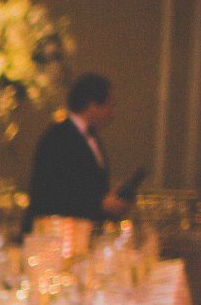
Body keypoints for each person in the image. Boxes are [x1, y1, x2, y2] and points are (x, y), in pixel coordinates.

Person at [24, 73, 129, 227]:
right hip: (55, 234)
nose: (112, 113)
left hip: (80, 232)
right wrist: (101, 204)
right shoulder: (57, 137)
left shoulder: (90, 137)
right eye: (109, 104)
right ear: (92, 105)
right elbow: (51, 193)